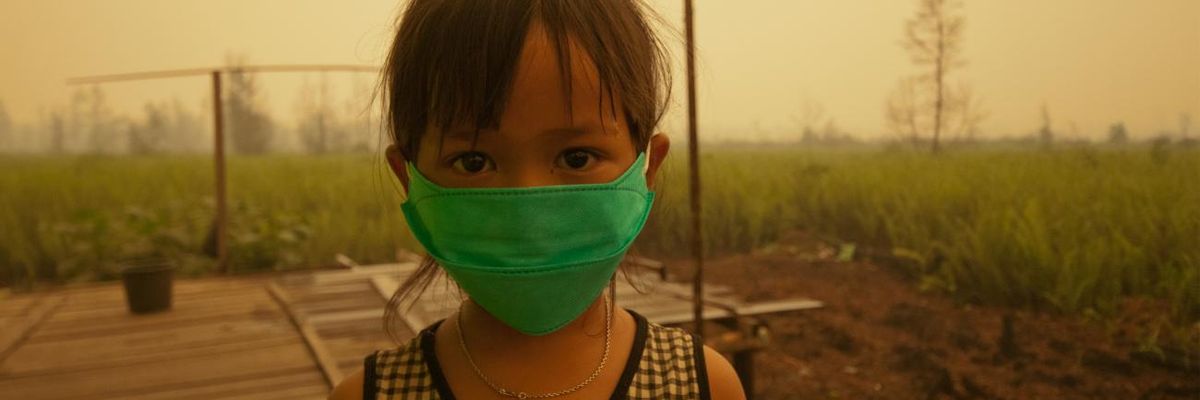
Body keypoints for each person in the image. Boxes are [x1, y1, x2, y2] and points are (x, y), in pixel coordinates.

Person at [330, 1, 745, 399]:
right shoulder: (371, 394)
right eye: (473, 162)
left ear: (647, 168)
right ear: (409, 180)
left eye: (576, 157)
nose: (529, 215)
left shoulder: (702, 385)